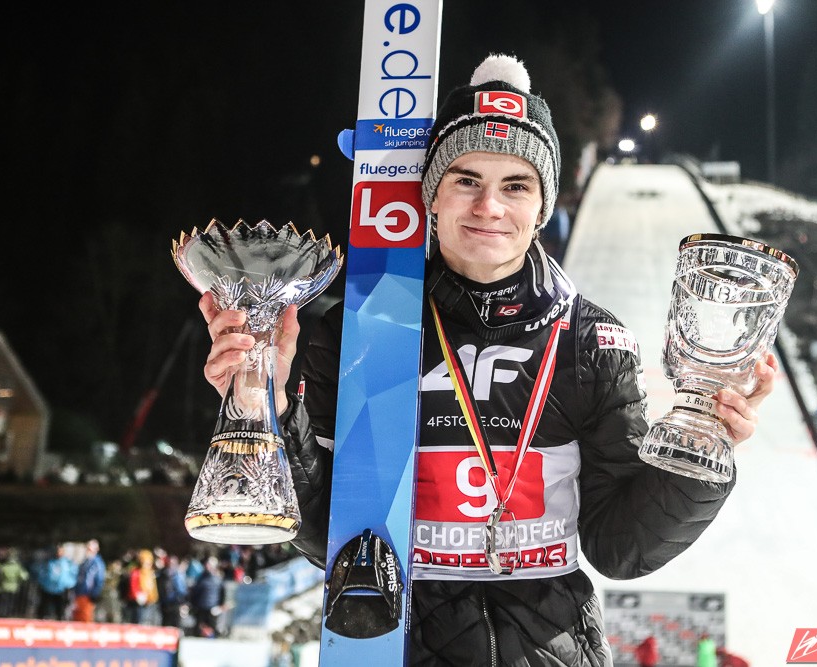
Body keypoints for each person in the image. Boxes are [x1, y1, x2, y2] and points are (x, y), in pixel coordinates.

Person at [200, 54, 776, 665]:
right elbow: (323, 532)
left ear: (542, 204)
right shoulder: (363, 328)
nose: (489, 207)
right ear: (433, 195)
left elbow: (620, 546)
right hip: (399, 645)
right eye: (466, 180)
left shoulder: (590, 340)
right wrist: (261, 402)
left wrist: (705, 448)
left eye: (516, 185)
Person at [33, 544, 77, 620]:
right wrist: (43, 583)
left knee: (60, 611)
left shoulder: (67, 563)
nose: (58, 553)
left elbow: (72, 575)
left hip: (61, 590)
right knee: (43, 610)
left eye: (60, 551)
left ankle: (60, 622)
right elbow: (42, 573)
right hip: (48, 589)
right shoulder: (49, 562)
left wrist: (68, 585)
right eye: (57, 551)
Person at [189, 556, 224, 638]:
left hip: (212, 608)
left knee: (211, 627)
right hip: (201, 606)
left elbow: (222, 593)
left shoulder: (217, 579)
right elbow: (195, 592)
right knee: (199, 628)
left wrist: (220, 605)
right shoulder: (201, 578)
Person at [72, 539, 106, 622]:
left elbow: (99, 579)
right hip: (79, 594)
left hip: (88, 595)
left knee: (86, 616)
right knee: (77, 616)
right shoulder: (85, 562)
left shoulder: (97, 563)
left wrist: (95, 593)